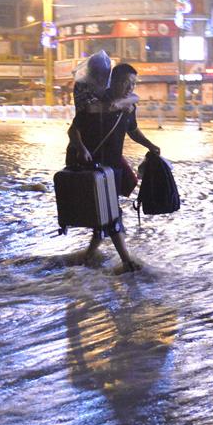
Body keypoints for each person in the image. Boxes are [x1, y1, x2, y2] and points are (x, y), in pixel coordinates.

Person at [67, 63, 160, 272]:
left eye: (134, 84)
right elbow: (73, 131)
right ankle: (127, 261)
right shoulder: (97, 103)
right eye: (126, 83)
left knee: (104, 212)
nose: (130, 87)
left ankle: (88, 256)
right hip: (93, 167)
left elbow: (133, 131)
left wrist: (150, 145)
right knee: (111, 211)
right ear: (114, 81)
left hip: (113, 165)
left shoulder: (129, 106)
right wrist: (81, 148)